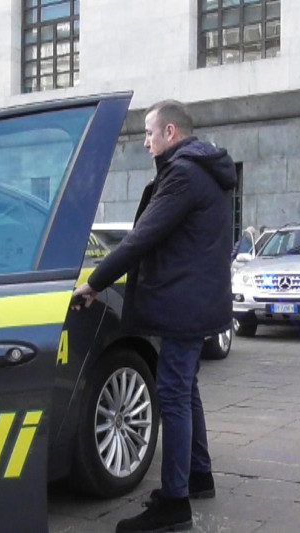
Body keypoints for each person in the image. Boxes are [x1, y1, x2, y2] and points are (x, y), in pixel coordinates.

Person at [72, 100, 236, 532]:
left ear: (171, 133)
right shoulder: (207, 172)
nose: (144, 142)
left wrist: (95, 282)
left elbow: (141, 238)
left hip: (183, 304)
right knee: (186, 388)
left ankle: (174, 503)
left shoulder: (182, 175)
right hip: (197, 302)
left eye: (149, 133)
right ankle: (198, 475)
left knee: (173, 395)